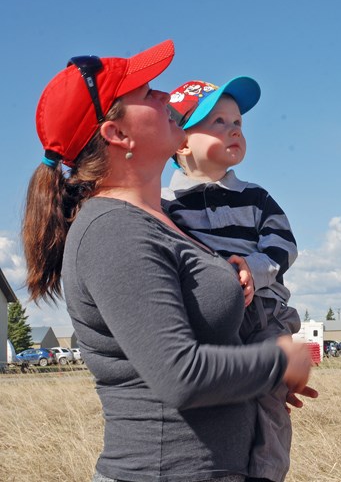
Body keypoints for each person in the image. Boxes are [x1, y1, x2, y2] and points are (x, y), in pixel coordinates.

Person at [22, 40, 316, 482]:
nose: (166, 96)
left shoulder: (163, 222)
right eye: (146, 93)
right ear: (118, 135)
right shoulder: (114, 231)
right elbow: (180, 375)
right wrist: (279, 360)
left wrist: (254, 380)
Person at [162, 78, 300, 482]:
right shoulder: (168, 205)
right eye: (217, 122)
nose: (234, 129)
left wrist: (253, 270)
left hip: (264, 313)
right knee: (227, 396)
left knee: (271, 399)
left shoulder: (256, 197)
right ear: (181, 142)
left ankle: (267, 474)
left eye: (237, 121)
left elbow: (283, 245)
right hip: (214, 320)